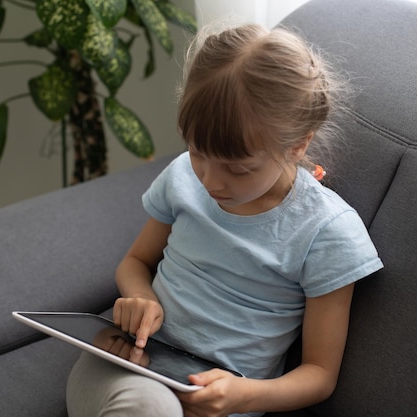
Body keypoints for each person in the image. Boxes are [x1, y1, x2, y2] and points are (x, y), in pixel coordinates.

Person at [66, 23, 383, 417]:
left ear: (298, 145)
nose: (210, 181)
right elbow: (135, 263)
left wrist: (242, 396)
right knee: (147, 407)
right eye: (198, 152)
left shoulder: (327, 232)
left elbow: (319, 374)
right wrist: (140, 298)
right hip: (126, 367)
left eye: (239, 168)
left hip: (219, 401)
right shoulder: (183, 176)